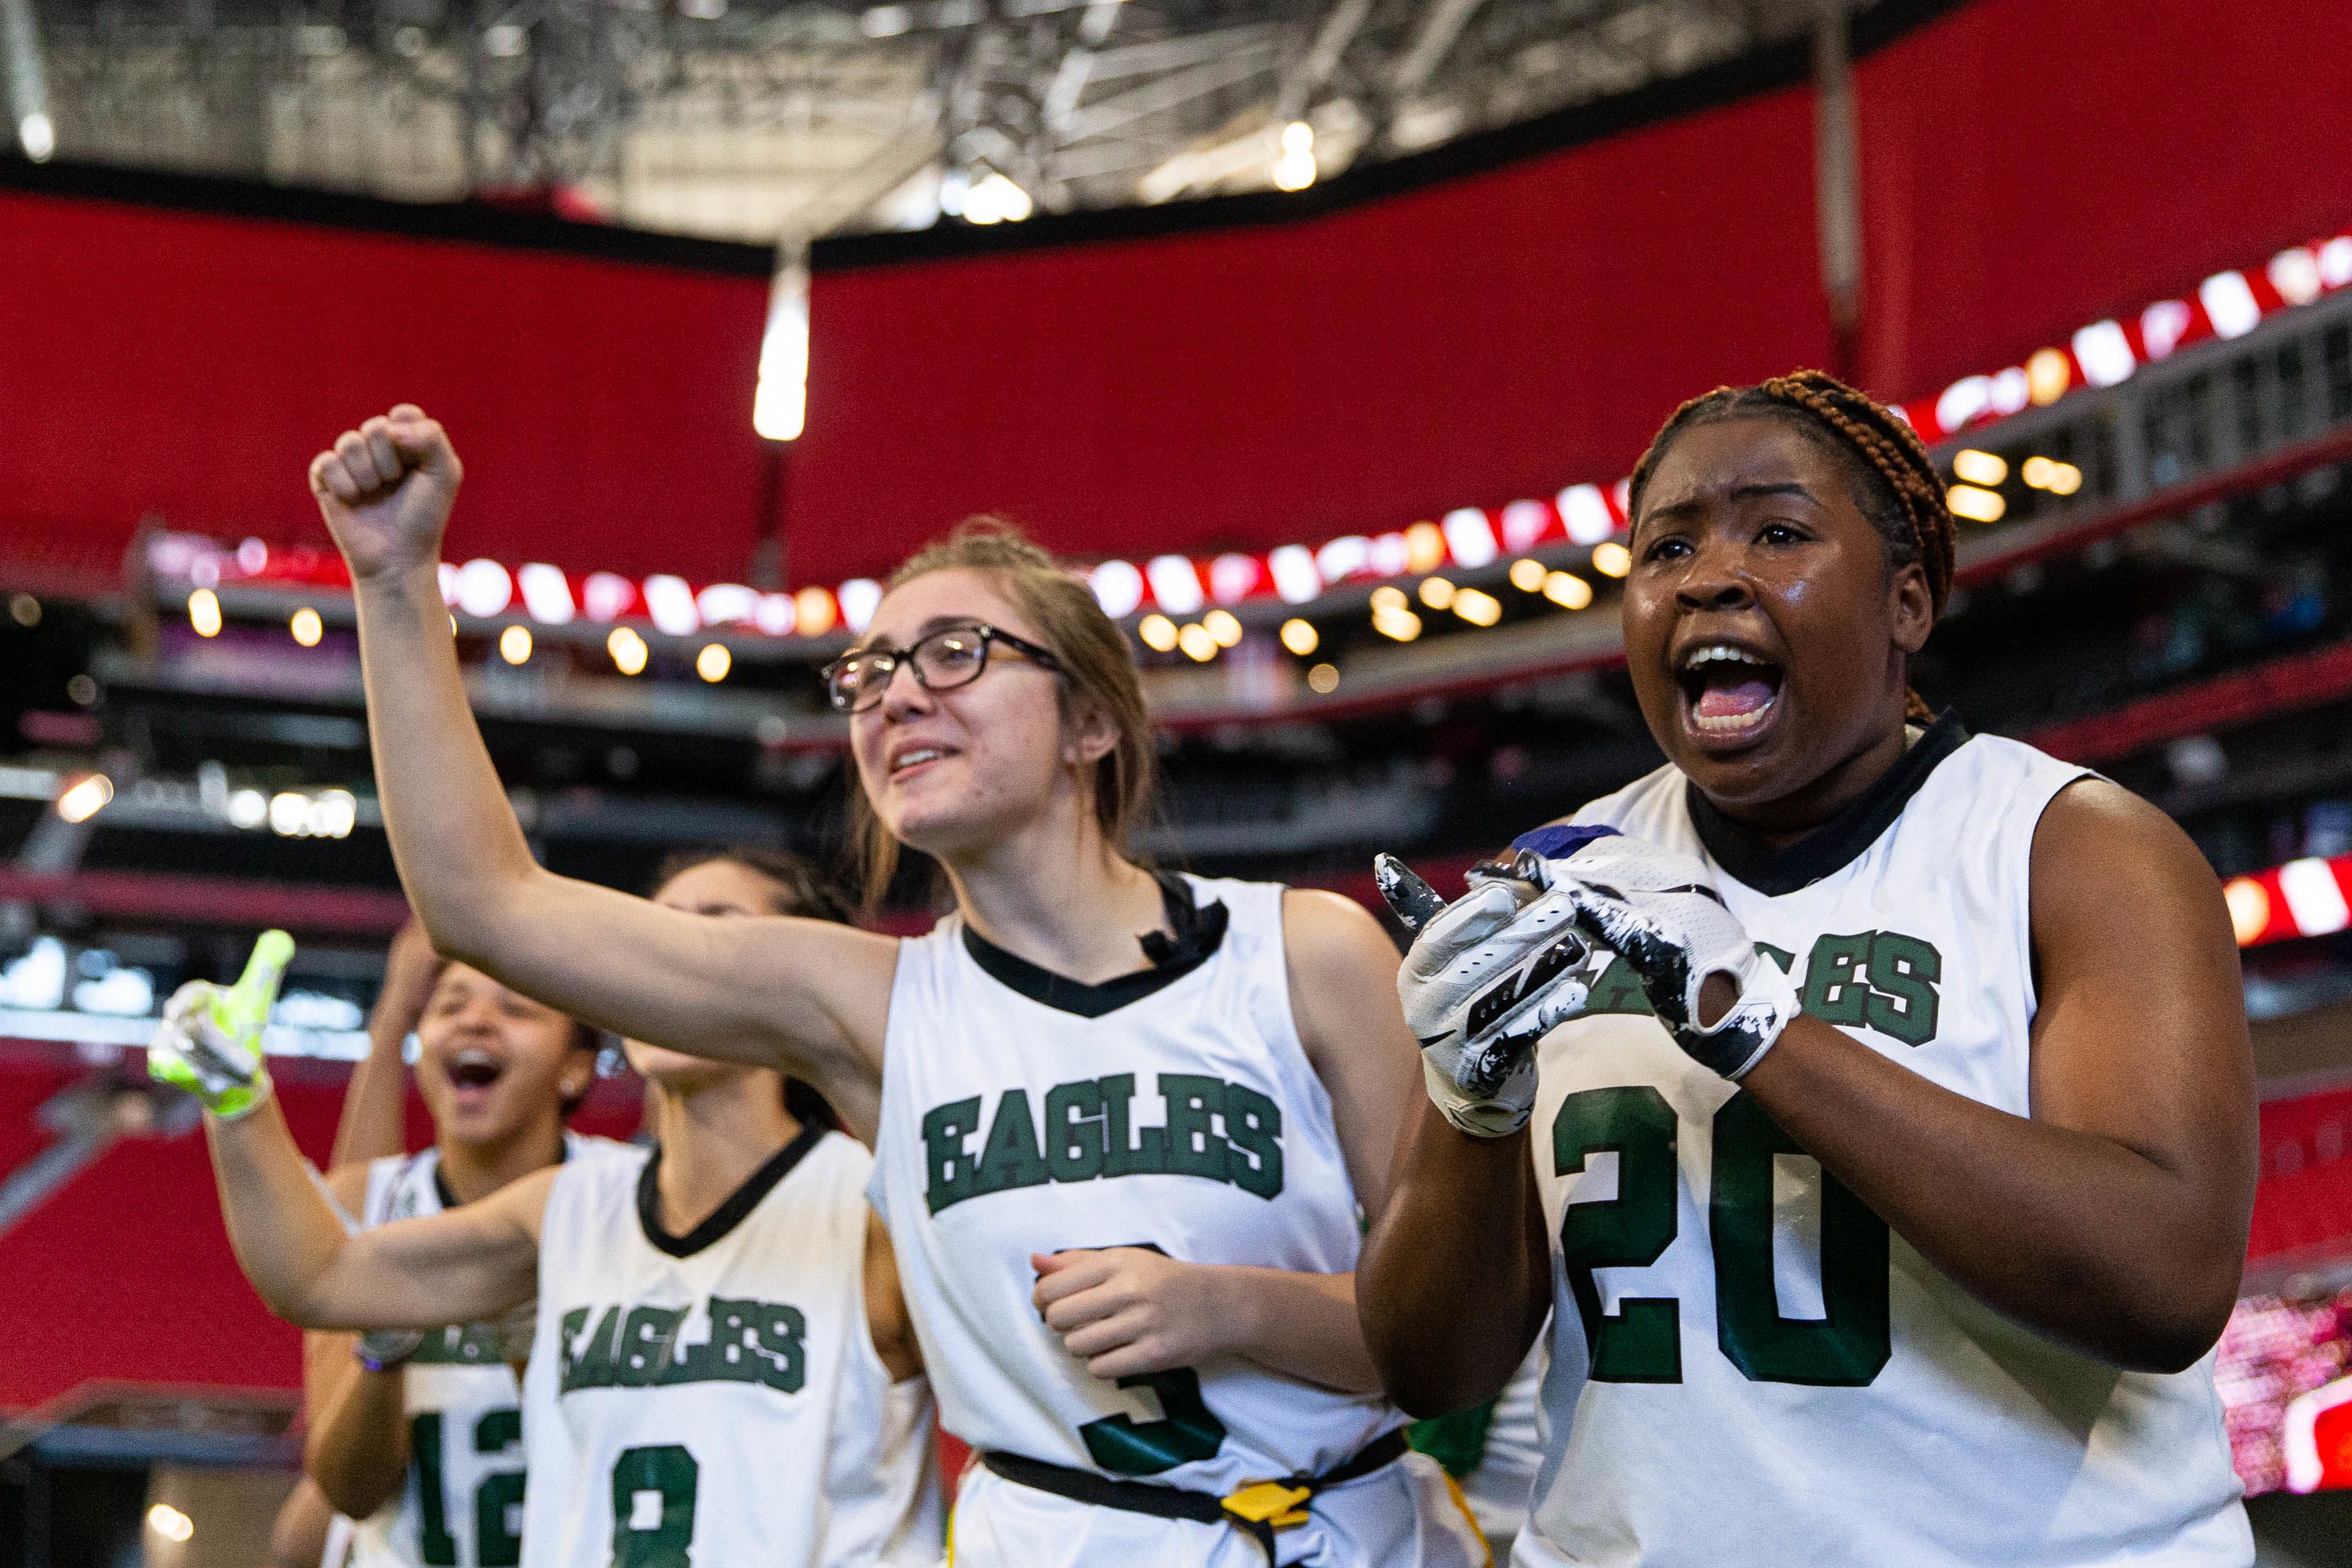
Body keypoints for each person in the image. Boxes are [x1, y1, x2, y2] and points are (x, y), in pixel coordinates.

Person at [296, 405, 1488, 1567]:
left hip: (1351, 1534)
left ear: (1088, 721)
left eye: (955, 654)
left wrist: (1235, 1310)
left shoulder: (1309, 956)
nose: (898, 695)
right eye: (869, 675)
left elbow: (1467, 1339)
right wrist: (397, 586)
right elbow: (486, 906)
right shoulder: (864, 1006)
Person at [1357, 370, 2259, 1567]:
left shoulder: (2073, 848)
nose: (1710, 575)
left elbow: (2168, 1281)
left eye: (1778, 532)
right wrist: (1467, 1107)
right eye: (1665, 546)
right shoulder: (1560, 876)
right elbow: (1434, 1370)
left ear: (1907, 604)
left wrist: (1758, 1028)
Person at [152, 845, 942, 1568]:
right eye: (656, 932)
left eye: (715, 928)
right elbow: (319, 1277)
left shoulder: (881, 1207)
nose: (673, 957)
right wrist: (239, 1104)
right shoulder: (567, 1209)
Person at [303, 927, 604, 1568]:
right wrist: (384, 1352)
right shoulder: (369, 1204)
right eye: (449, 1004)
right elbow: (349, 1490)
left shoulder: (622, 1199)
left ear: (577, 1066)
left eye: (516, 1007)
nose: (476, 1021)